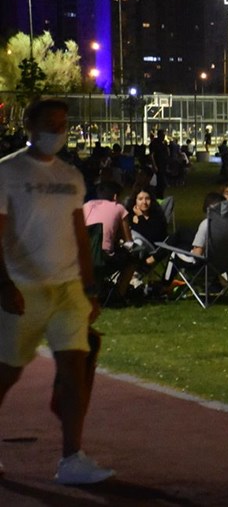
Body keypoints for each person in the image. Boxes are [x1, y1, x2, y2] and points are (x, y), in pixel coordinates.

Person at [0, 98, 115, 484]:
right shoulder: (7, 172)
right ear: (29, 126)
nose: (57, 131)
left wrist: (90, 287)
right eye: (49, 123)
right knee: (7, 372)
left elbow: (80, 235)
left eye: (62, 124)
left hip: (68, 290)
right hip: (24, 287)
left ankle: (72, 458)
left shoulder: (71, 176)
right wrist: (4, 283)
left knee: (74, 369)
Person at [83, 181, 137, 303]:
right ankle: (118, 295)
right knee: (132, 259)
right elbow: (128, 241)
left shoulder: (86, 206)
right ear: (115, 197)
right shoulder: (119, 208)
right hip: (102, 260)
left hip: (81, 258)